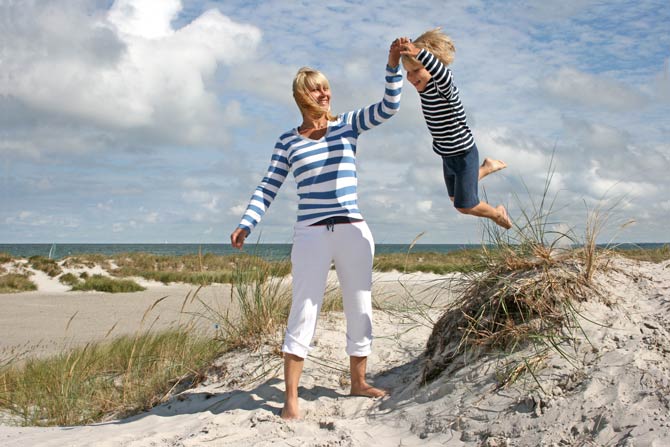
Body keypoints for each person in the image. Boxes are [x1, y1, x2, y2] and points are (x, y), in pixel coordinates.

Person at [230, 39, 403, 419]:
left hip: (352, 230)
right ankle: (290, 399)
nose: (325, 93)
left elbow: (390, 107)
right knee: (303, 309)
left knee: (359, 306)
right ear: (300, 95)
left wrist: (392, 66)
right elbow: (268, 185)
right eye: (316, 87)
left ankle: (359, 382)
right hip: (310, 232)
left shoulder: (348, 126)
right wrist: (247, 222)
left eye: (327, 87)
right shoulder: (288, 141)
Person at [397, 29, 512, 229]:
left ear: (432, 67)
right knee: (455, 198)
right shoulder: (424, 89)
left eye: (416, 70)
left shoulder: (443, 85)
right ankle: (487, 168)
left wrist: (418, 52)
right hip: (447, 155)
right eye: (408, 72)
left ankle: (497, 214)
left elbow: (441, 72)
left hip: (464, 153)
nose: (411, 77)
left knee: (465, 205)